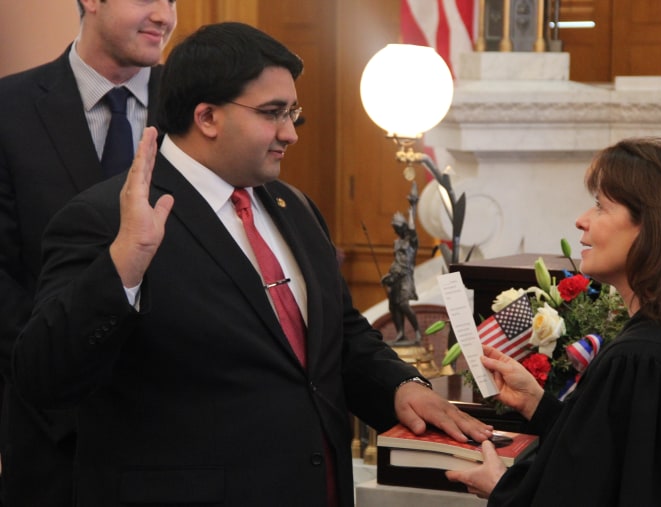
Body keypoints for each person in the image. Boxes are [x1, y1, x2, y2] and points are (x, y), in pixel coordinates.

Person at [12, 22, 491, 506]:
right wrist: (124, 265)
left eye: (292, 112)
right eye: (272, 113)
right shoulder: (107, 217)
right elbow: (44, 376)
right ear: (207, 117)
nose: (291, 133)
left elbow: (338, 338)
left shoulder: (294, 207)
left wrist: (401, 387)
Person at [446, 137, 661, 506]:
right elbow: (618, 458)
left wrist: (504, 489)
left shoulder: (641, 359)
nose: (582, 220)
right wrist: (538, 404)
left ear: (653, 227)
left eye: (601, 206)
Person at [0, 0, 176, 504]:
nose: (164, 15)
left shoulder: (201, 114)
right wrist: (51, 363)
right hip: (51, 435)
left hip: (178, 430)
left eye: (173, 1)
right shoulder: (9, 108)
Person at [381, 182, 421, 344]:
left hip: (405, 277)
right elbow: (396, 261)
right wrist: (388, 276)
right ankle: (400, 333)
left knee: (404, 304)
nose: (396, 231)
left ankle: (418, 332)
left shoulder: (411, 242)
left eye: (398, 227)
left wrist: (412, 208)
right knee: (394, 307)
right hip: (395, 276)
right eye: (394, 228)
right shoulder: (397, 243)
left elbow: (413, 229)